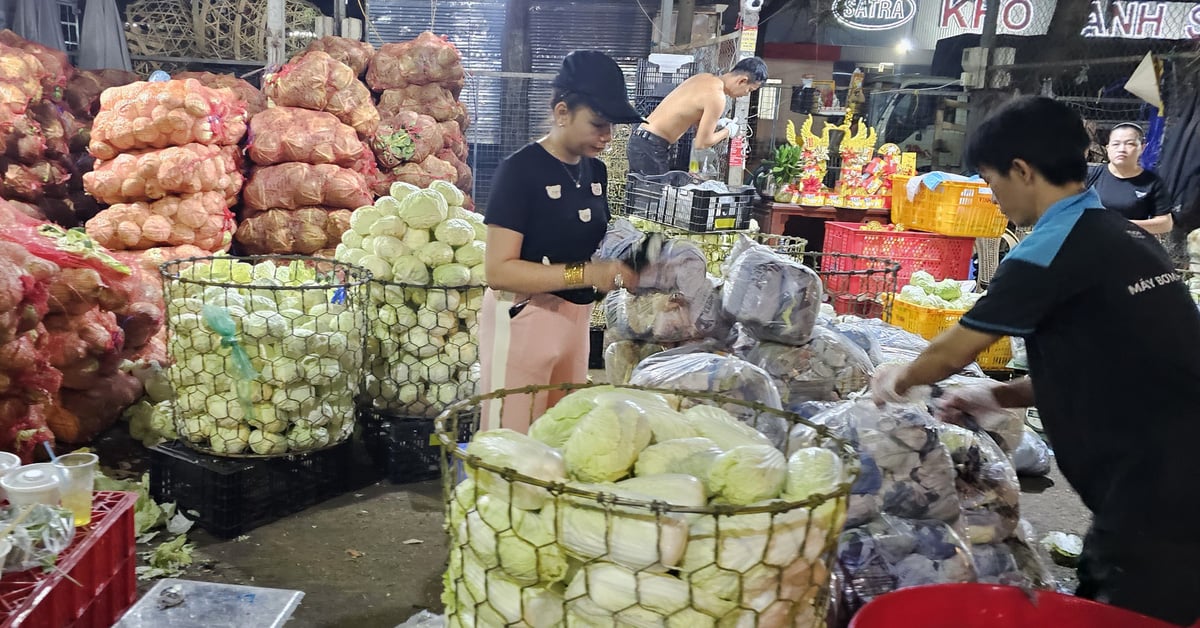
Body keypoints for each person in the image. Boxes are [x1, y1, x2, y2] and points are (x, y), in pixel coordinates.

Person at [872, 96, 1200, 626]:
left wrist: (896, 379)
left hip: (1159, 491)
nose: (990, 195)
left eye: (990, 179)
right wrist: (996, 394)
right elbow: (1107, 359)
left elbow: (953, 351)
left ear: (1021, 170)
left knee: (1127, 607)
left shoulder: (1047, 249)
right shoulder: (1124, 235)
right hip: (1171, 472)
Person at [479, 50, 641, 433]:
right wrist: (584, 272)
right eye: (598, 124)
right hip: (523, 319)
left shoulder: (596, 171)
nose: (607, 137)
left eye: (612, 127)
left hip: (575, 321)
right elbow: (499, 270)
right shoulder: (519, 171)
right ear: (562, 112)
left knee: (559, 433)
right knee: (510, 439)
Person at [626, 57, 768, 176]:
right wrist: (728, 132)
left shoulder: (704, 77)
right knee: (654, 202)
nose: (745, 94)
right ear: (742, 81)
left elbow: (694, 118)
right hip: (651, 146)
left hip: (641, 140)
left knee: (645, 201)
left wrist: (717, 123)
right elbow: (702, 143)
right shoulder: (717, 97)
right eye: (749, 90)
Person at [1086, 122, 1174, 234]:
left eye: (1130, 144)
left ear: (1142, 148)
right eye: (1116, 144)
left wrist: (1124, 225)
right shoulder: (1089, 175)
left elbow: (1165, 224)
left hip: (1130, 246)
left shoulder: (1152, 182)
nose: (1121, 149)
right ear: (1108, 148)